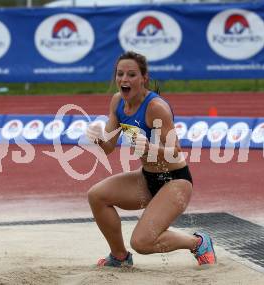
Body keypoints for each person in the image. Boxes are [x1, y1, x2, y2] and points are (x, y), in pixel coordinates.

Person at [85, 51, 216, 267]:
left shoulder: (156, 107)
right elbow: (109, 148)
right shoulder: (118, 102)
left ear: (144, 78)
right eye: (120, 74)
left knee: (142, 242)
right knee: (96, 196)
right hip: (147, 178)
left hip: (175, 181)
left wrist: (150, 147)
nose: (124, 80)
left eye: (131, 75)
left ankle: (198, 242)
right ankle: (119, 257)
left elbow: (176, 150)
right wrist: (98, 139)